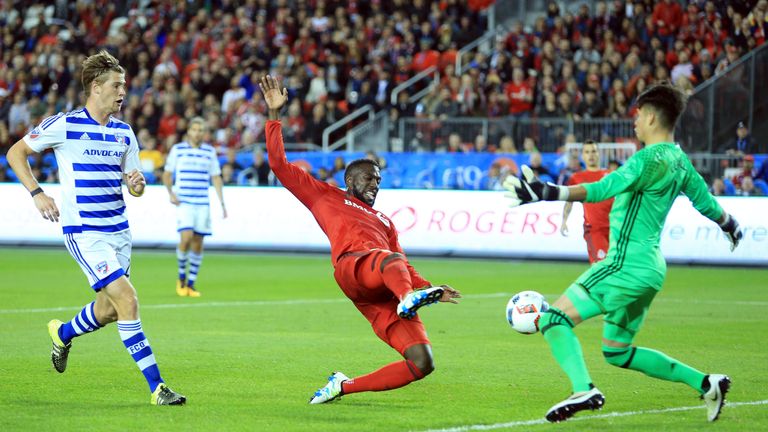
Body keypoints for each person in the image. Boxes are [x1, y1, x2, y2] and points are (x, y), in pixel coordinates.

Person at [503, 82, 742, 423]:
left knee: (553, 319)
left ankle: (583, 389)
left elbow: (604, 187)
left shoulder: (647, 159)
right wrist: (730, 224)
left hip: (624, 262)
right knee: (617, 351)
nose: (635, 123)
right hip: (651, 270)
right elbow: (705, 202)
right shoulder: (681, 162)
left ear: (651, 117)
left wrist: (549, 192)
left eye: (638, 116)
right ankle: (706, 383)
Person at [259, 75, 461, 404]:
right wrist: (274, 114)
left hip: (384, 289)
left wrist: (430, 288)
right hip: (352, 269)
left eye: (378, 180)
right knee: (389, 260)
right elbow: (279, 165)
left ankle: (342, 386)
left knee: (422, 362)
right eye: (369, 178)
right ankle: (407, 299)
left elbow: (404, 265)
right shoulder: (325, 196)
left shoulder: (385, 221)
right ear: (350, 180)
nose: (375, 184)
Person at [5, 50, 185, 405]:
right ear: (96, 87)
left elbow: (134, 185)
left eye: (124, 85)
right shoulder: (64, 124)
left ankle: (62, 333)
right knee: (129, 300)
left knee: (109, 310)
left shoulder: (124, 133)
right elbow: (15, 153)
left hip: (119, 231)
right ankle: (157, 388)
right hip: (85, 232)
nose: (123, 92)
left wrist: (136, 184)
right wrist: (37, 193)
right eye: (117, 86)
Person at [162, 116, 226, 297]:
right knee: (186, 237)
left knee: (198, 242)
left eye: (200, 130)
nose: (197, 133)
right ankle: (181, 277)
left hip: (202, 202)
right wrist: (170, 193)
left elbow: (216, 177)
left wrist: (222, 203)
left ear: (204, 133)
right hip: (184, 202)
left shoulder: (209, 152)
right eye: (194, 130)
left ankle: (191, 283)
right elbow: (167, 174)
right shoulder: (178, 150)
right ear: (189, 131)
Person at [560, 140, 613, 264]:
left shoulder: (610, 175)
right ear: (583, 156)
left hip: (615, 229)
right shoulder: (576, 178)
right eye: (587, 152)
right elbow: (569, 201)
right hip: (594, 230)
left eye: (593, 151)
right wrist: (564, 221)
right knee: (602, 266)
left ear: (599, 154)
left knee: (616, 268)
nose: (591, 155)